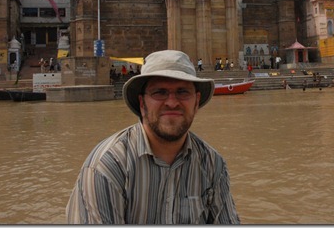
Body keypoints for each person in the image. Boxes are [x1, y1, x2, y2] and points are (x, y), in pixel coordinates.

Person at [66, 50, 240, 224]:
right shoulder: (107, 167)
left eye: (182, 92)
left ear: (196, 102)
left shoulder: (212, 164)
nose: (172, 102)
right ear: (142, 103)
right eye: (160, 92)